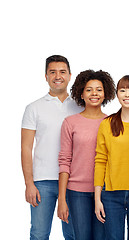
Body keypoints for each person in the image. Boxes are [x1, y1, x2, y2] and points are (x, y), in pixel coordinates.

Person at [21, 55, 80, 239]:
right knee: (39, 234)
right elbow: (25, 147)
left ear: (70, 75)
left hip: (73, 181)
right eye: (52, 72)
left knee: (73, 234)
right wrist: (29, 183)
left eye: (62, 72)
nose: (58, 76)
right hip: (42, 181)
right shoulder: (34, 108)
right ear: (45, 76)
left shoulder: (80, 107)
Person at [57, 70, 116, 239]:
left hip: (105, 191)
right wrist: (62, 198)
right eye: (89, 89)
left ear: (105, 94)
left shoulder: (112, 123)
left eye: (99, 89)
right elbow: (64, 160)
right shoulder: (70, 122)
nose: (94, 93)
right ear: (81, 93)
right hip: (76, 192)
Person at [94, 75, 129, 240]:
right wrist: (97, 199)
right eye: (123, 90)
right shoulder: (107, 123)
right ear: (117, 94)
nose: (127, 94)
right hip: (111, 195)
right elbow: (100, 161)